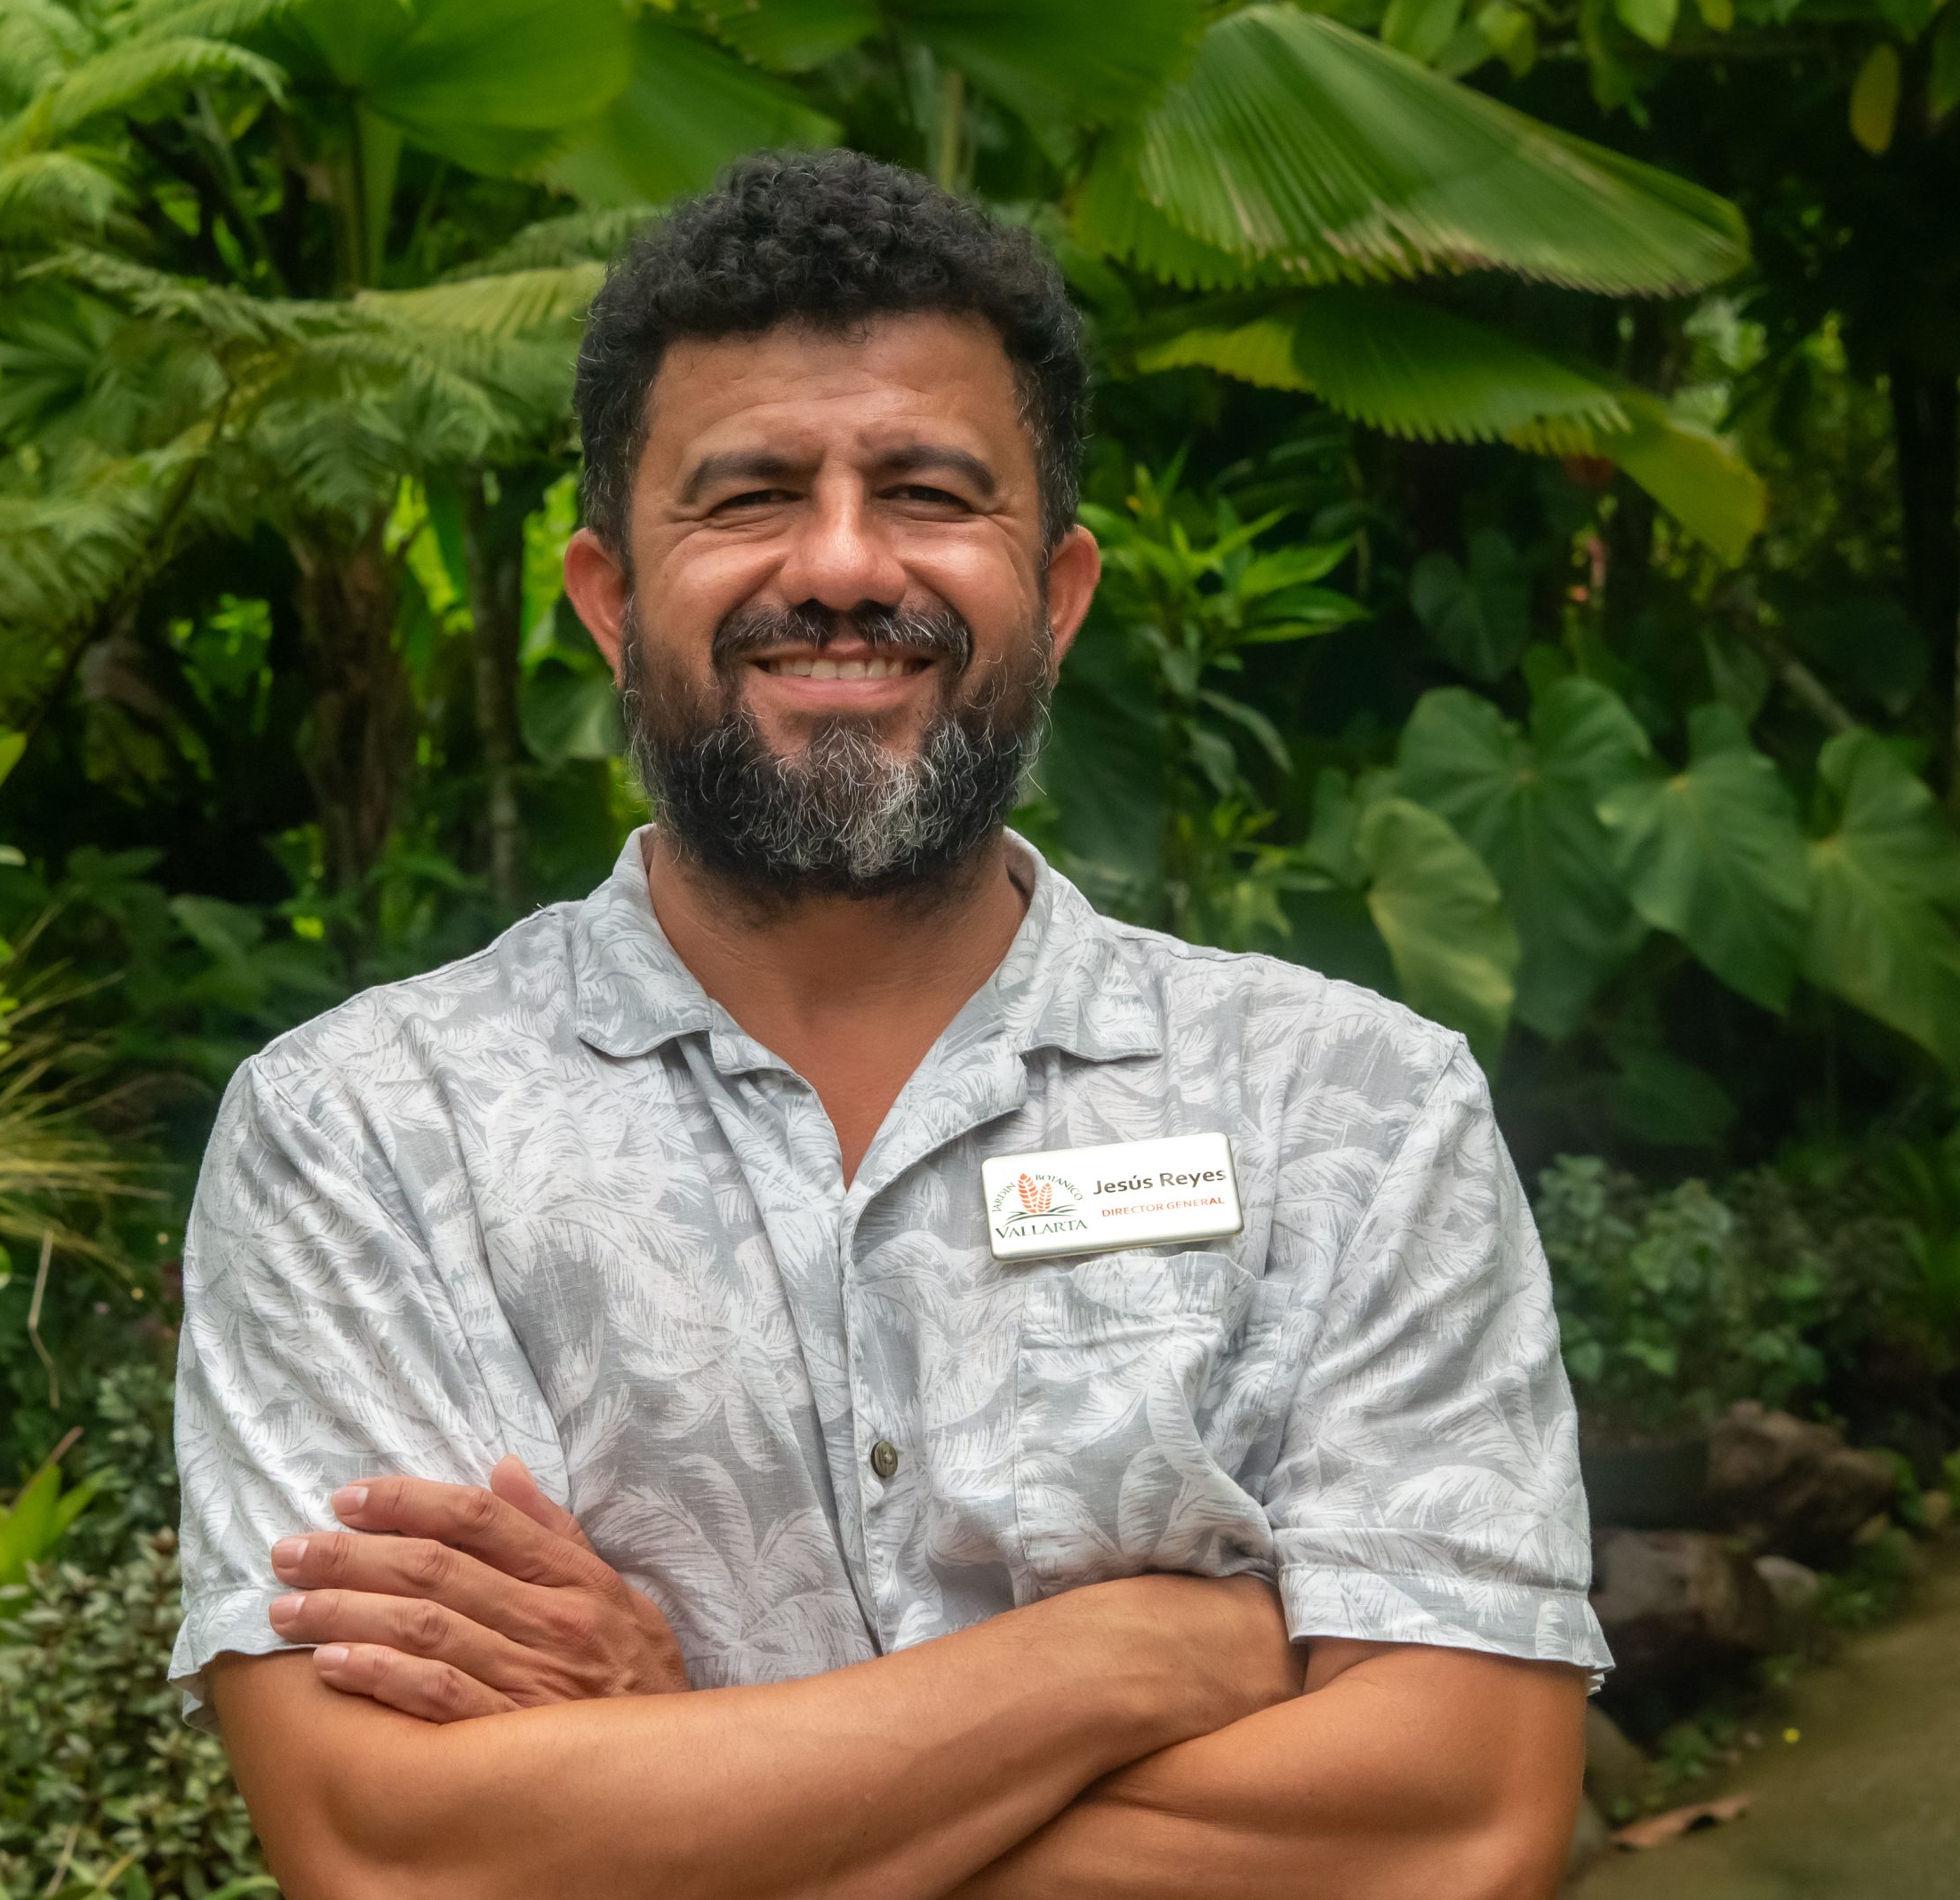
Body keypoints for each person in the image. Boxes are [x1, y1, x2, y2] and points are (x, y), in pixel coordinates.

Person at [171, 151, 1608, 1900]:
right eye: (749, 495)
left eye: (926, 492)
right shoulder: (362, 1135)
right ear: (610, 597)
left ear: (1055, 592)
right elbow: (391, 1847)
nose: (844, 563)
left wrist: (682, 1756)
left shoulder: (1354, 1111)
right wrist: (1132, 1655)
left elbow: (1455, 1819)